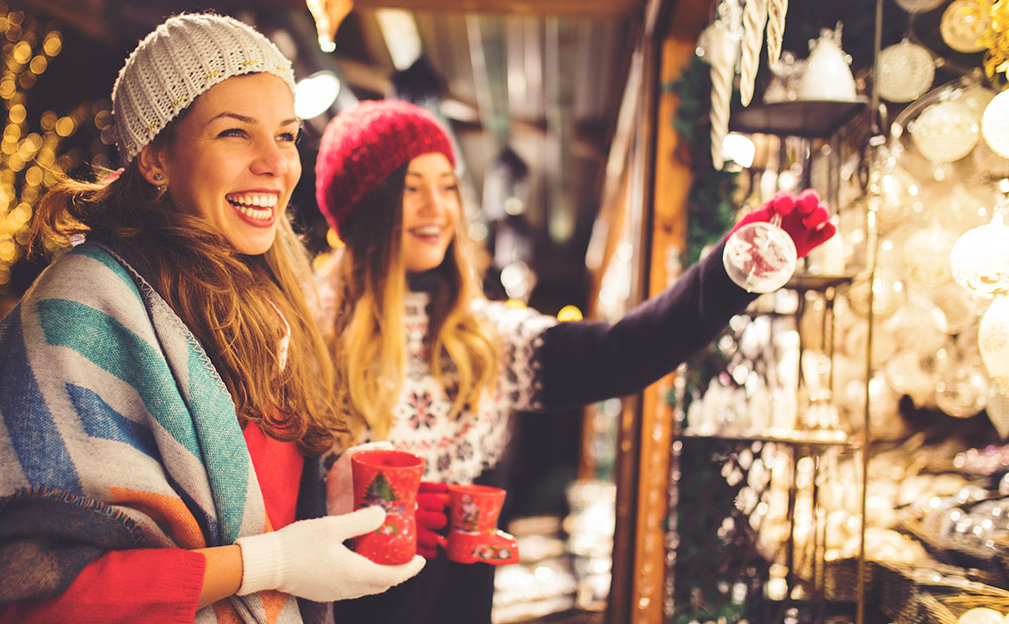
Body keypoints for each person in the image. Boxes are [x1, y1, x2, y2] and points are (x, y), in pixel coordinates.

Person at [0, 15, 423, 624]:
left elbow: (272, 498)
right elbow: (33, 596)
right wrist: (269, 564)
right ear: (154, 158)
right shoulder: (84, 307)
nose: (274, 163)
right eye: (233, 133)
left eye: (285, 135)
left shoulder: (277, 298)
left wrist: (349, 500)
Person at [312, 99, 836, 624]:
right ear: (363, 205)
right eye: (411, 188)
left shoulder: (485, 335)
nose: (437, 207)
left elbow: (619, 353)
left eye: (448, 186)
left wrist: (728, 271)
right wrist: (347, 513)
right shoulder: (308, 335)